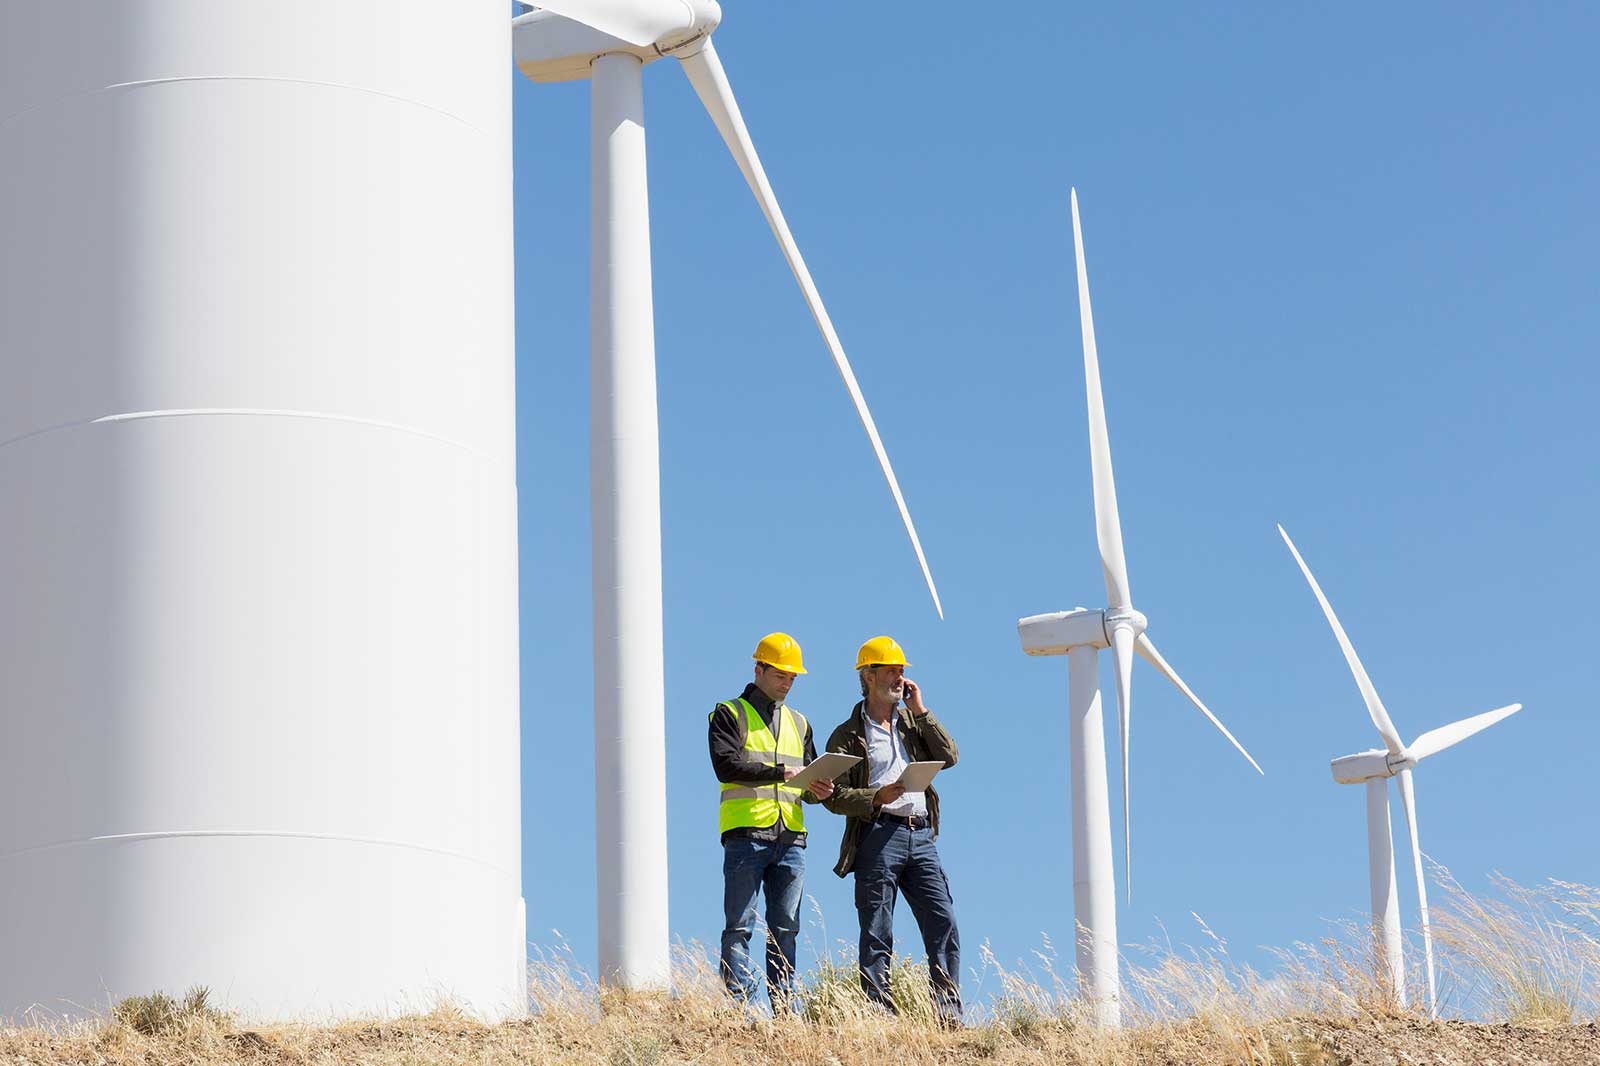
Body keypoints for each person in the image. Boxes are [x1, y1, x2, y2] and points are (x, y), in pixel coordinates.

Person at [822, 635, 962, 1026]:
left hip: (920, 835)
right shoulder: (848, 734)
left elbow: (948, 756)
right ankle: (879, 1015)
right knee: (878, 927)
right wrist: (875, 797)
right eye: (891, 670)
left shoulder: (911, 723)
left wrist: (922, 711)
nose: (899, 677)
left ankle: (948, 1013)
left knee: (943, 920)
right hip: (878, 835)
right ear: (868, 676)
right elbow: (833, 796)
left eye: (902, 671)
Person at [708, 632, 835, 1014]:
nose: (788, 682)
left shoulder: (800, 722)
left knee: (786, 930)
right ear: (758, 668)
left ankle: (784, 1010)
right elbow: (726, 766)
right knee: (740, 926)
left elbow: (807, 777)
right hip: (747, 835)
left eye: (793, 677)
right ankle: (738, 1009)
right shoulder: (728, 713)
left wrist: (820, 789)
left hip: (791, 839)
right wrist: (781, 771)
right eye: (781, 675)